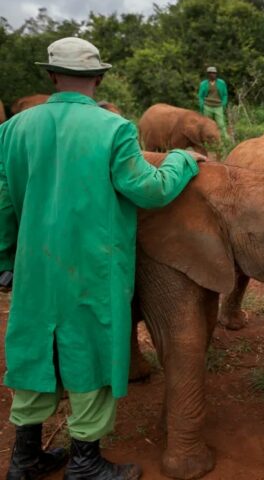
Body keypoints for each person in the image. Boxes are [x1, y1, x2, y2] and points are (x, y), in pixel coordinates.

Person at [0, 37, 204, 480]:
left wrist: (4, 257)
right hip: (92, 268)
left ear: (52, 76)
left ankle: (25, 460)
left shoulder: (13, 128)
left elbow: (3, 202)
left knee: (36, 349)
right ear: (98, 77)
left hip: (35, 265)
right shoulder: (114, 128)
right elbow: (148, 189)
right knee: (88, 350)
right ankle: (86, 464)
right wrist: (182, 162)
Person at [197, 66, 229, 141]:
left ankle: (225, 140)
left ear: (216, 74)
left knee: (221, 124)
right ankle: (206, 140)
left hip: (218, 106)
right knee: (207, 124)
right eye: (210, 73)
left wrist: (223, 104)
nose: (212, 75)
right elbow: (200, 96)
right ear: (208, 74)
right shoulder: (203, 84)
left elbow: (225, 94)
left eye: (214, 73)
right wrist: (202, 105)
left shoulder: (221, 83)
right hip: (207, 106)